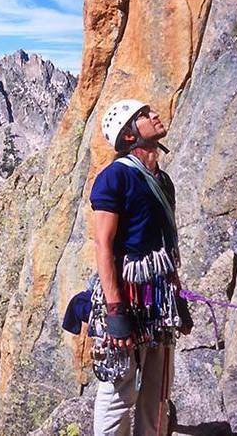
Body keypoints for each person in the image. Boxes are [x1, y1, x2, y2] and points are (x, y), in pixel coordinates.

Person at [89, 99, 192, 436]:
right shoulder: (114, 179)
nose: (154, 115)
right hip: (126, 296)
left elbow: (167, 245)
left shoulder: (163, 181)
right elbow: (103, 245)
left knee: (158, 391)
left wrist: (176, 298)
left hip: (159, 298)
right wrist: (115, 310)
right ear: (130, 135)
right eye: (144, 115)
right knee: (120, 390)